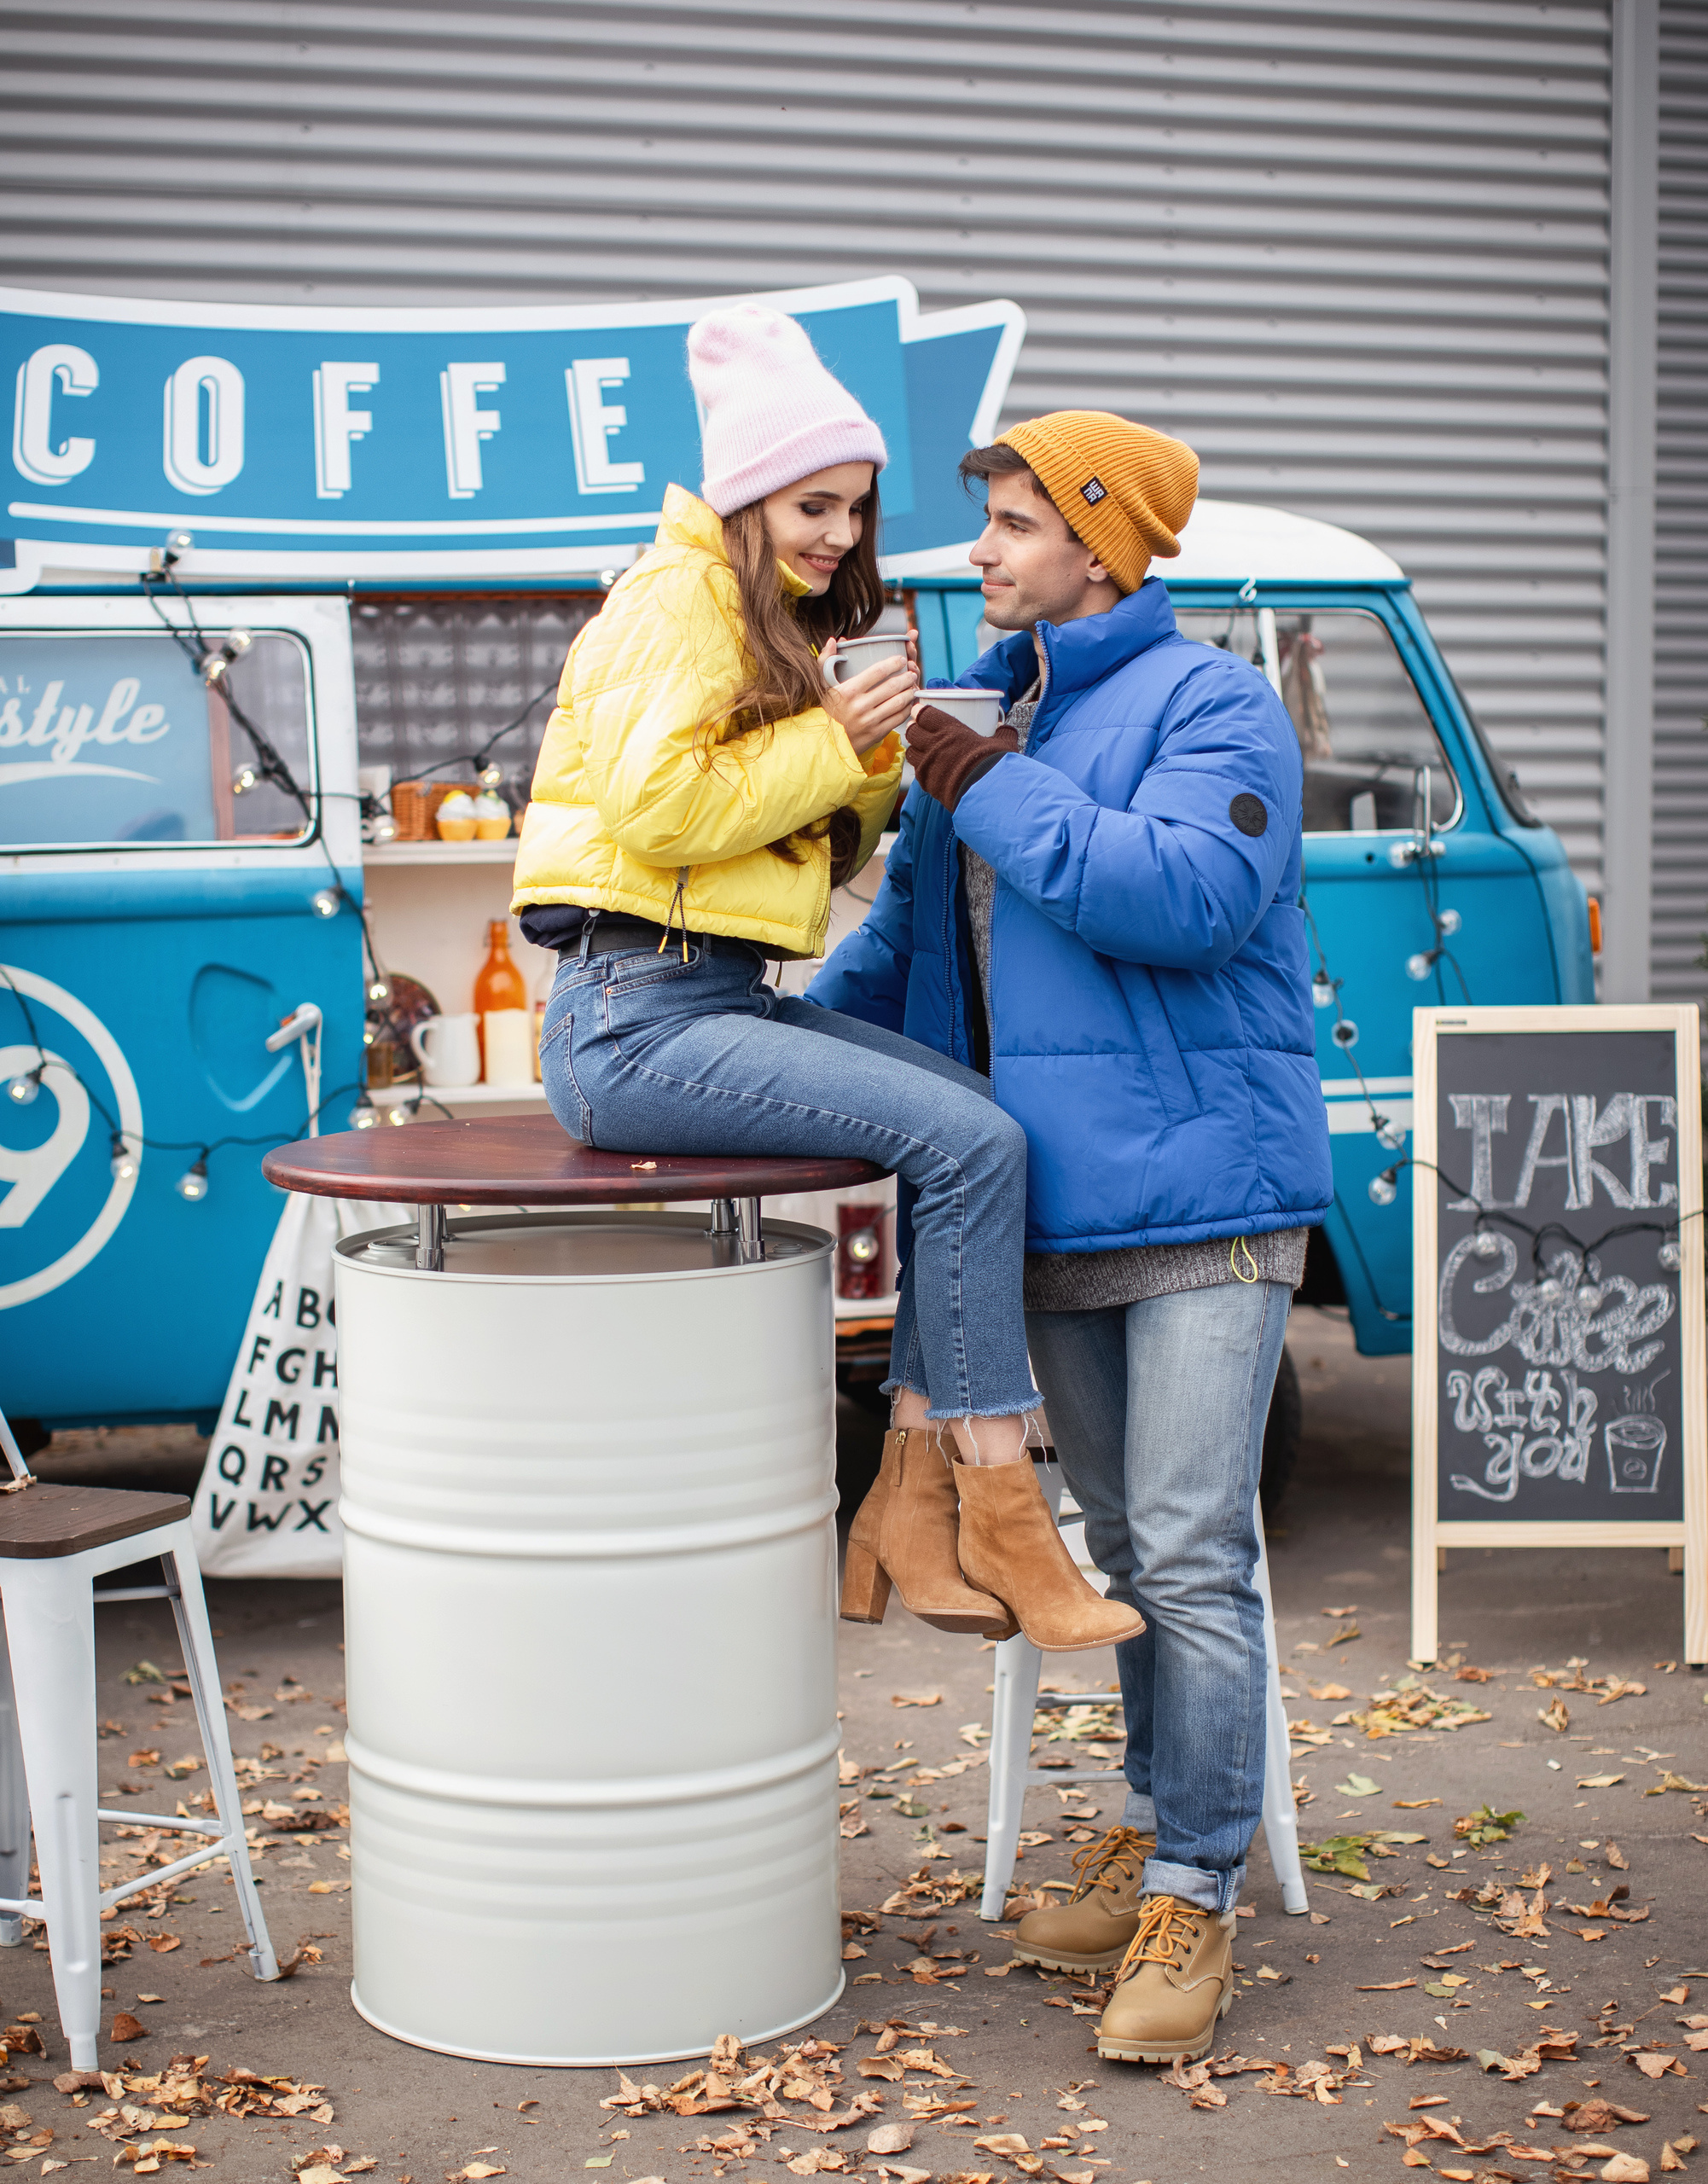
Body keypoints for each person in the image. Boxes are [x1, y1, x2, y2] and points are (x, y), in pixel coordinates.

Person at [808, 409, 1333, 2063]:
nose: (978, 554)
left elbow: (1178, 896)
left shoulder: (1212, 706)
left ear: (1101, 546)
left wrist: (983, 781)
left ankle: (1194, 1885)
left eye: (1015, 526)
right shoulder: (997, 718)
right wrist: (733, 1047)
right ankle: (1158, 1820)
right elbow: (901, 957)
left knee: (1186, 1547)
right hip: (1046, 1209)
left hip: (1209, 1201)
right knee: (1117, 1552)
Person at [513, 307, 1141, 1655]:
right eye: (814, 505)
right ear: (745, 493)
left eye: (854, 511)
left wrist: (871, 759)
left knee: (979, 1129)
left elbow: (783, 851)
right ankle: (999, 1512)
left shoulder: (760, 617)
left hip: (708, 994)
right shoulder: (674, 599)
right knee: (970, 1139)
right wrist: (827, 737)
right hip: (633, 1015)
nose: (839, 538)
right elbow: (661, 810)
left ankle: (907, 1508)